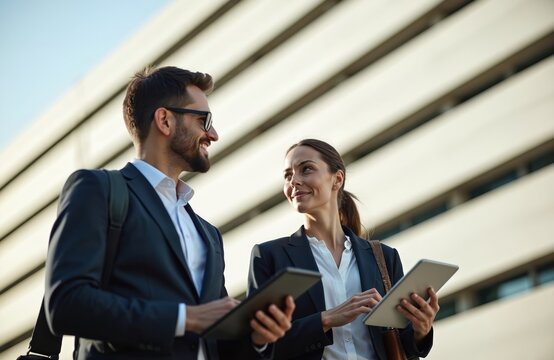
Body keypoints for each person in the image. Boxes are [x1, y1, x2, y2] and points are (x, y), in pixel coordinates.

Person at [44, 66, 295, 359]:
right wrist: (184, 318)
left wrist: (256, 337)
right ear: (164, 120)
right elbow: (66, 304)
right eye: (204, 120)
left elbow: (215, 341)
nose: (213, 134)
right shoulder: (98, 190)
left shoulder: (208, 234)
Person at [248, 139, 438, 359]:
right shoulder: (270, 256)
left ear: (337, 179)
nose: (295, 181)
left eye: (306, 169)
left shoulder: (385, 257)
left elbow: (401, 345)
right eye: (288, 175)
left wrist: (421, 330)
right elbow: (258, 346)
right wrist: (326, 319)